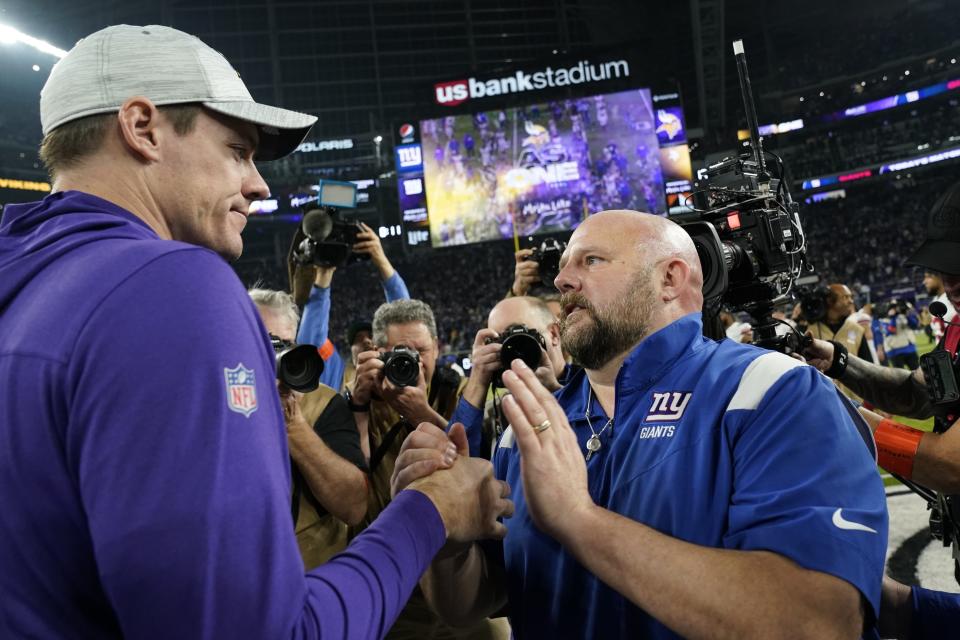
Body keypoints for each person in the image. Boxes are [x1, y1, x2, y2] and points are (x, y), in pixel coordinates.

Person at [0, 25, 512, 638]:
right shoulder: (174, 285)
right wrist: (428, 513)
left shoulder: (25, 278)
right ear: (142, 128)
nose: (259, 183)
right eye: (238, 150)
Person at [395, 210, 888, 639]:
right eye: (564, 266)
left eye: (591, 260)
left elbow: (816, 623)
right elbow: (476, 602)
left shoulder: (768, 391)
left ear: (670, 279)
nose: (563, 281)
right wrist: (448, 543)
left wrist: (580, 520)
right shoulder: (523, 428)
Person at [802, 180, 960, 583]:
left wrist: (838, 410)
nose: (950, 282)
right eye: (944, 268)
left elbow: (951, 465)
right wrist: (838, 362)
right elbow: (916, 392)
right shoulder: (958, 327)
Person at [347, 298, 507, 639]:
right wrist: (358, 405)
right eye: (399, 351)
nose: (413, 361)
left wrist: (419, 413)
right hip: (396, 595)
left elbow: (479, 469)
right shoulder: (360, 402)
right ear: (377, 352)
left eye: (421, 349)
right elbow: (352, 494)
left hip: (462, 581)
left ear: (436, 347)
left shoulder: (460, 394)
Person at [249, 287, 367, 567]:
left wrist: (294, 427)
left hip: (315, 573)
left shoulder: (323, 403)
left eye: (283, 344)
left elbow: (354, 506)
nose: (274, 355)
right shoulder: (216, 401)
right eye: (263, 342)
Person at [292, 223, 410, 391]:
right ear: (350, 354)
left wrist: (381, 260)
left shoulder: (397, 372)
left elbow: (405, 318)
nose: (367, 341)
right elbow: (310, 344)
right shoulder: (336, 371)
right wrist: (324, 273)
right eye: (358, 340)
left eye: (371, 336)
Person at [449, 296, 570, 457]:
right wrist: (478, 381)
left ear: (554, 334)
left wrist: (555, 395)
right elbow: (455, 462)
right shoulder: (495, 414)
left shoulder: (593, 390)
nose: (508, 349)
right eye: (500, 340)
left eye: (518, 335)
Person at [923, 271, 957, 342]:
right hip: (944, 350)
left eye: (928, 277)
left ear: (940, 277)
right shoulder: (935, 301)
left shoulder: (954, 298)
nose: (924, 282)